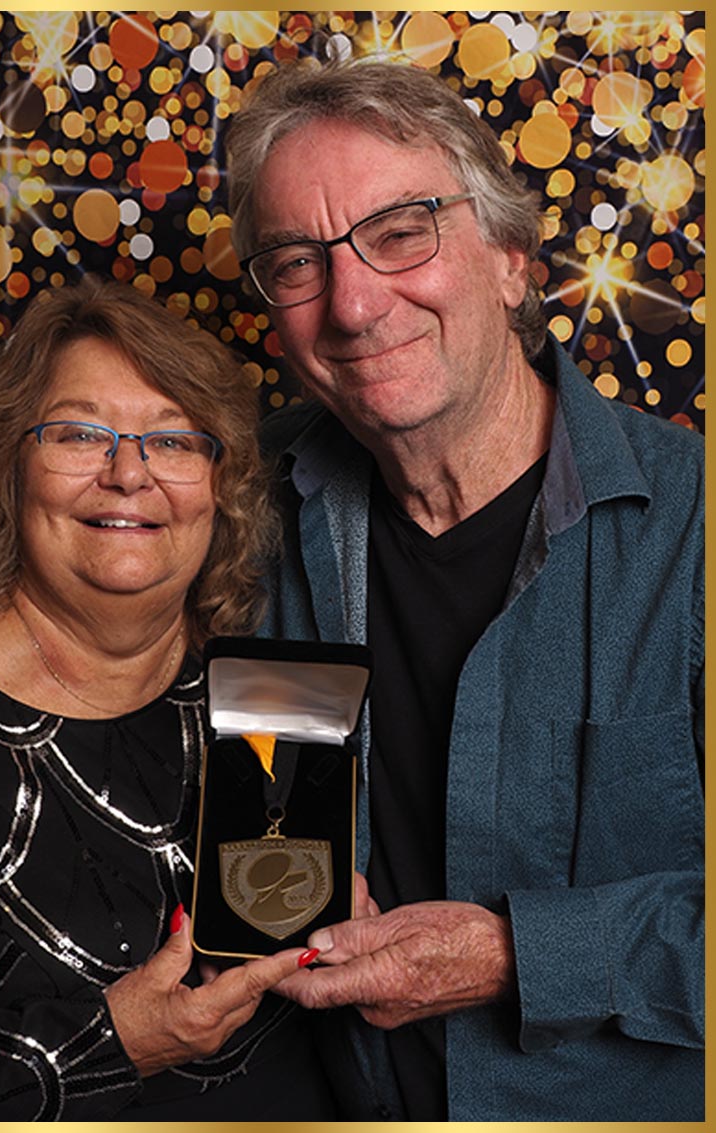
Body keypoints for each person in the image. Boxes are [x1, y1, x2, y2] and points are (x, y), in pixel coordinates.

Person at [225, 58, 704, 1121]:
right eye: (297, 262)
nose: (353, 304)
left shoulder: (694, 527)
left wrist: (514, 952)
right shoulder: (245, 509)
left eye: (401, 232)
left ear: (511, 260)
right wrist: (274, 887)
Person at [0, 275, 335, 1121]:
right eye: (78, 433)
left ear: (222, 482)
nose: (129, 473)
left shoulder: (278, 686)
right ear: (7, 466)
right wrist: (108, 1041)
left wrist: (344, 939)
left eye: (174, 441)